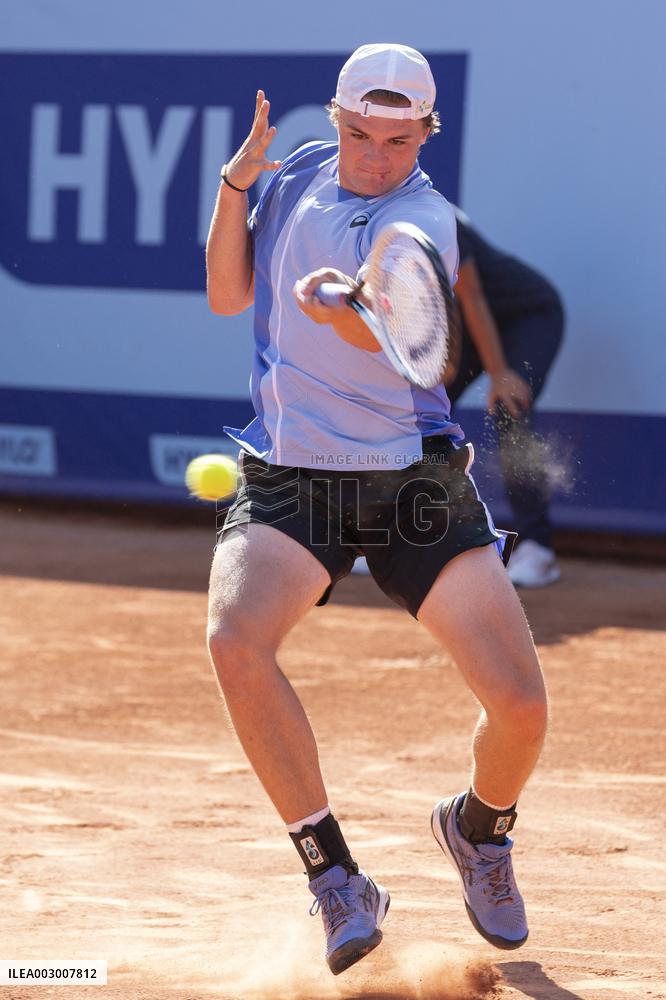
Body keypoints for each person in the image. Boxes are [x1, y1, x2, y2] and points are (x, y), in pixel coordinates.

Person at [205, 43, 548, 976]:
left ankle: (479, 829)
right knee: (235, 640)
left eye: (401, 140)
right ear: (337, 119)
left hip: (412, 483)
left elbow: (406, 325)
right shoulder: (299, 174)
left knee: (520, 706)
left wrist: (347, 311)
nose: (377, 156)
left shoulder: (424, 216)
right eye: (360, 133)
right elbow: (226, 293)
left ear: (427, 135)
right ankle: (335, 879)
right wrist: (237, 188)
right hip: (292, 476)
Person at [446, 208, 565, 587]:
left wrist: (499, 375)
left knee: (508, 409)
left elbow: (473, 295)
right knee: (415, 415)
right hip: (467, 324)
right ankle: (397, 539)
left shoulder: (427, 211)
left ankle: (537, 548)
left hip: (528, 315)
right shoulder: (355, 224)